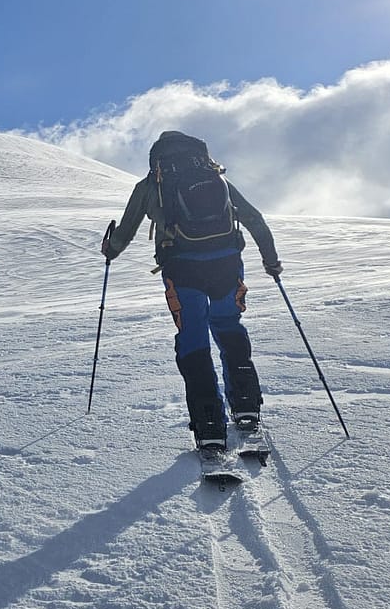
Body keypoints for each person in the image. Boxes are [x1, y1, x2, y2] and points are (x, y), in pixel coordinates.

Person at [100, 131, 282, 451]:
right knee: (228, 327)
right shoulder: (214, 176)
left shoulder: (151, 185)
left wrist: (110, 250)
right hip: (227, 264)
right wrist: (271, 261)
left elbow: (126, 231)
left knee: (193, 338)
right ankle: (246, 405)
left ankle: (208, 421)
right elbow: (253, 218)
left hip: (181, 270)